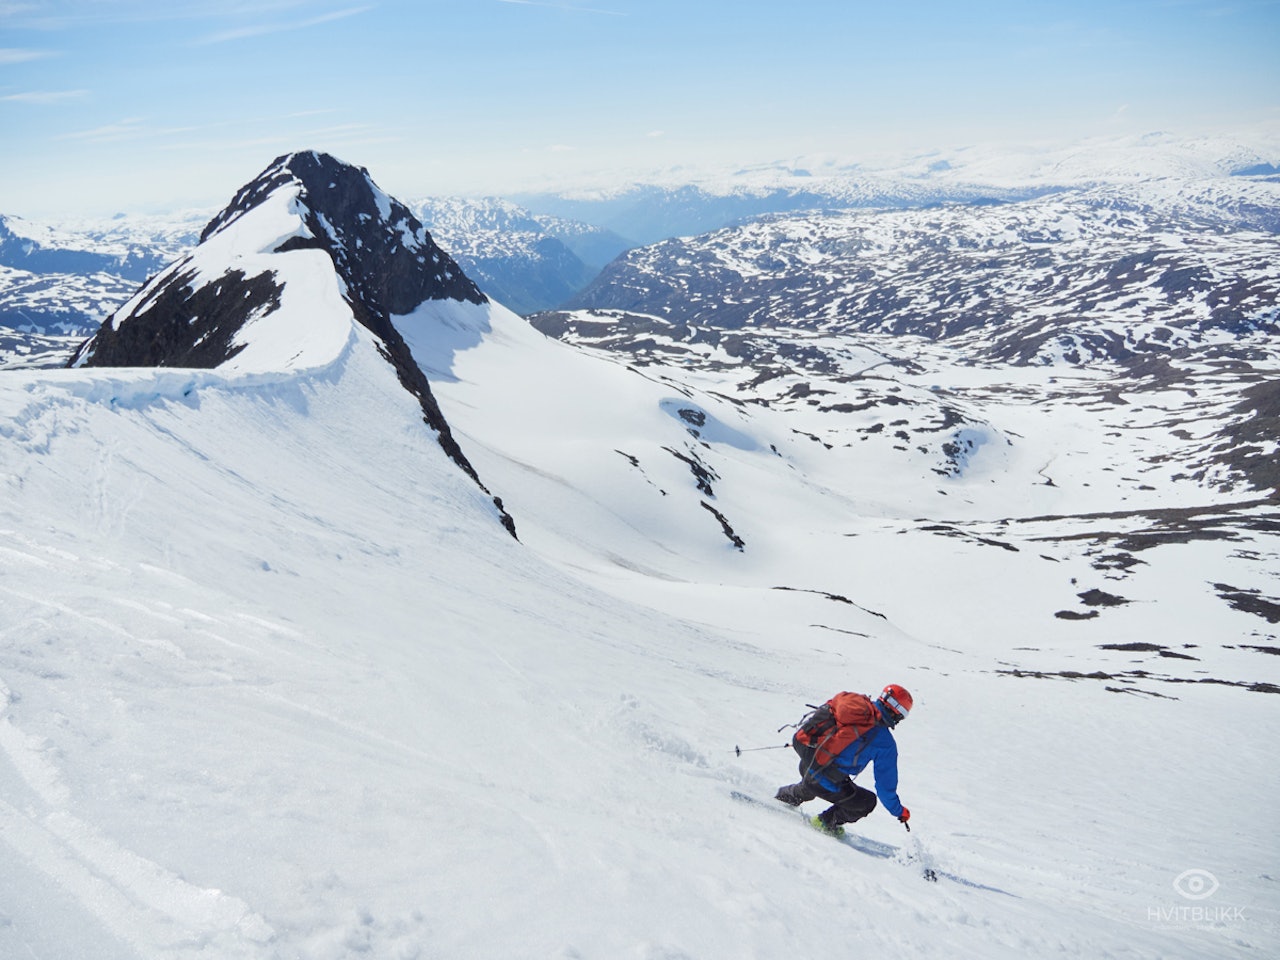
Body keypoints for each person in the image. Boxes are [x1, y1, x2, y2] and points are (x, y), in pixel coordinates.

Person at [775, 684, 913, 835]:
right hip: (824, 777)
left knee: (812, 784)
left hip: (810, 761)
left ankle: (780, 797)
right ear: (898, 713)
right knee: (867, 802)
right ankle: (825, 822)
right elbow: (885, 789)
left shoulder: (854, 707)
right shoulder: (885, 743)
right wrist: (899, 811)